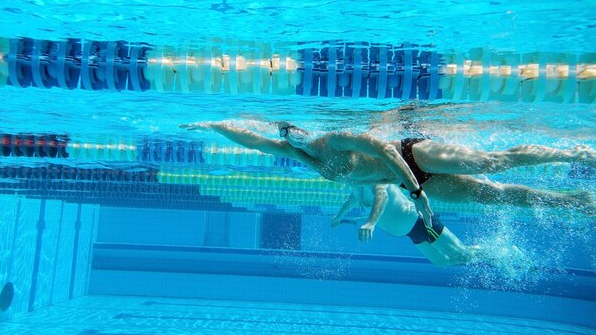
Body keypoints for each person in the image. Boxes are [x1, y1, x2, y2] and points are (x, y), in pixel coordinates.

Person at [188, 120, 595, 223]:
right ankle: (576, 202)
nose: (291, 138)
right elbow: (252, 140)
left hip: (412, 156)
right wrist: (213, 127)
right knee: (493, 195)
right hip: (407, 181)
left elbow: (383, 149)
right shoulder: (303, 157)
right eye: (284, 134)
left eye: (294, 130)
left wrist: (417, 192)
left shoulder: (334, 139)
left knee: (487, 163)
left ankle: (574, 153)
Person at [331, 184, 482, 267]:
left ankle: (488, 252)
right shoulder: (357, 186)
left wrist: (371, 222)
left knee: (463, 255)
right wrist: (339, 215)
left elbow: (381, 195)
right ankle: (476, 253)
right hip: (411, 232)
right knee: (441, 262)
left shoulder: (373, 175)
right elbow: (352, 199)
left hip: (420, 222)